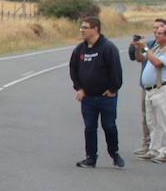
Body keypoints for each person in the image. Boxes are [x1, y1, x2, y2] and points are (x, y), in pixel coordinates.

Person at [69, 15, 124, 169]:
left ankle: (114, 153)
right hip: (88, 97)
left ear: (95, 29)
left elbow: (116, 71)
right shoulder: (80, 49)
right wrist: (79, 88)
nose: (82, 31)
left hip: (106, 97)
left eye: (85, 28)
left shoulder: (108, 48)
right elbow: (73, 68)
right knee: (90, 127)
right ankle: (91, 157)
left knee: (109, 126)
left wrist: (113, 89)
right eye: (81, 27)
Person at [127, 18, 166, 157]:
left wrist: (145, 47)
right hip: (149, 89)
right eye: (156, 32)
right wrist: (138, 48)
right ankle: (154, 149)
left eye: (160, 33)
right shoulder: (155, 48)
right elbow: (140, 59)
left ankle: (164, 150)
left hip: (161, 88)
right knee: (152, 122)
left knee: (163, 122)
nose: (156, 34)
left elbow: (157, 63)